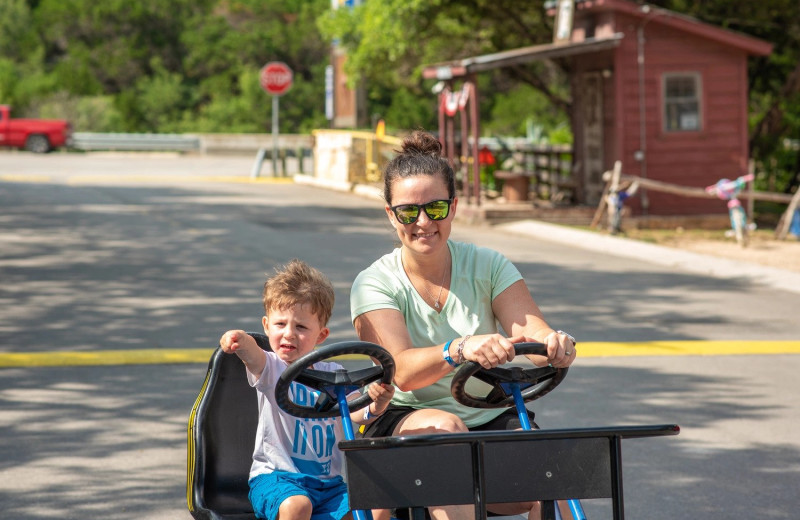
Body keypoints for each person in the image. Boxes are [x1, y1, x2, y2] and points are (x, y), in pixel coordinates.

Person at [350, 130, 577, 520]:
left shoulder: (488, 264)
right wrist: (458, 348)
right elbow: (401, 371)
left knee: (549, 469)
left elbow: (531, 330)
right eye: (408, 211)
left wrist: (554, 346)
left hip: (488, 414)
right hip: (406, 418)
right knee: (446, 428)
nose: (423, 222)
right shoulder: (374, 282)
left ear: (453, 207)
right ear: (391, 214)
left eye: (435, 208)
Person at [220, 259, 395, 520]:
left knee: (377, 509)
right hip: (277, 479)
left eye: (301, 327)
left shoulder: (333, 374)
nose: (289, 334)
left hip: (329, 485)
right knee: (298, 506)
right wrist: (240, 340)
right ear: (266, 326)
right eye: (280, 325)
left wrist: (376, 403)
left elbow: (354, 412)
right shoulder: (271, 368)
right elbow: (252, 355)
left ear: (321, 335)